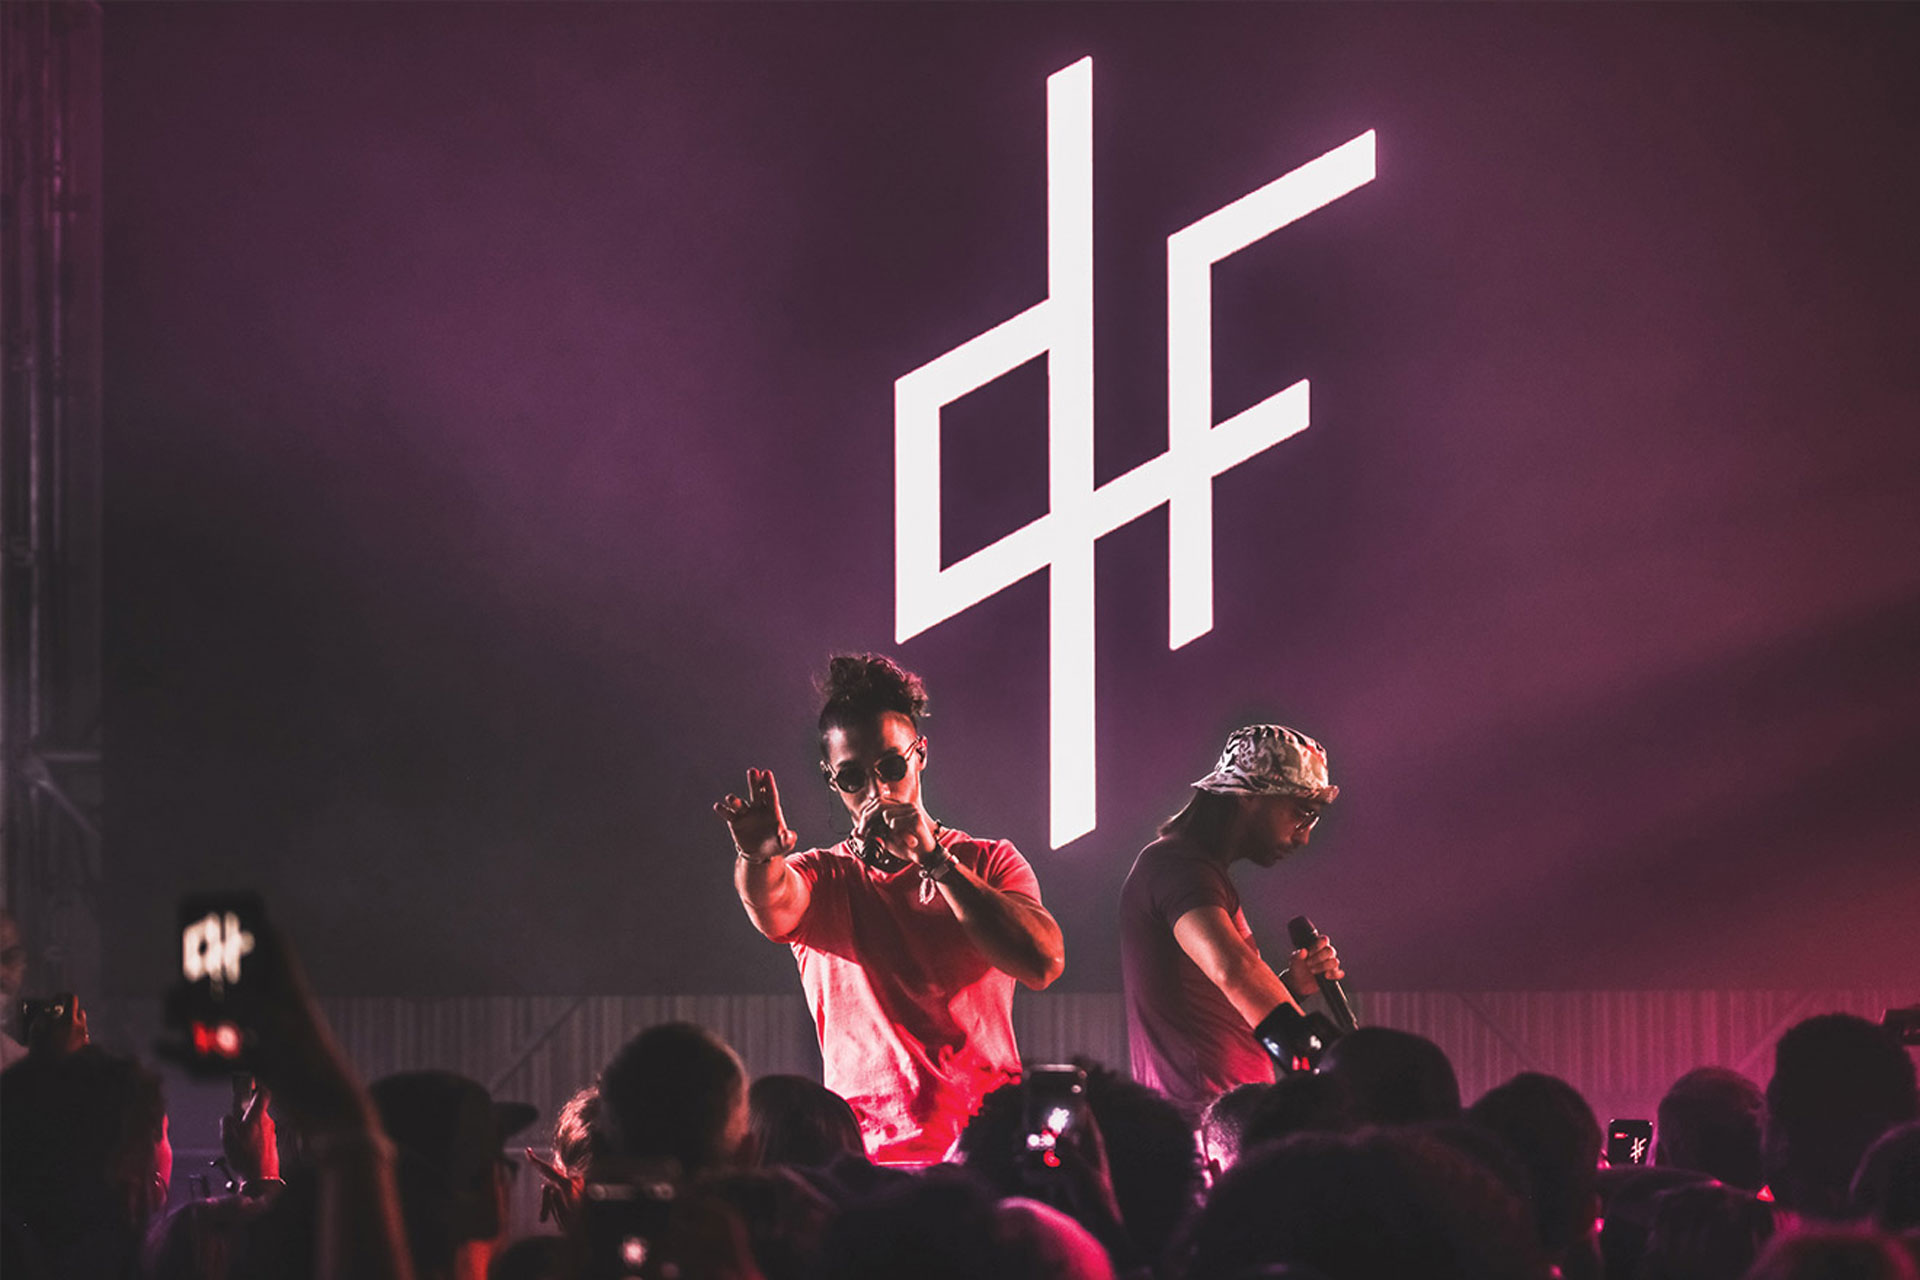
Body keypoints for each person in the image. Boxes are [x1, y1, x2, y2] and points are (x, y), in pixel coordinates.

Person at [715, 653, 1064, 1164]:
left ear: (920, 755)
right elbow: (771, 902)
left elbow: (1042, 962)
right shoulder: (823, 877)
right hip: (866, 1161)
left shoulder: (990, 861)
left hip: (984, 1153)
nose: (877, 791)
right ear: (832, 780)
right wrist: (757, 857)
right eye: (853, 778)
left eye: (891, 767)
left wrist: (935, 860)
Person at [1119, 724, 1344, 1119]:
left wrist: (1290, 988)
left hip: (1226, 1118)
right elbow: (1233, 970)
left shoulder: (1194, 870)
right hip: (1208, 1126)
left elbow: (1220, 994)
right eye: (1301, 813)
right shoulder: (1178, 867)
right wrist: (1329, 1063)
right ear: (1249, 795)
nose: (1304, 837)